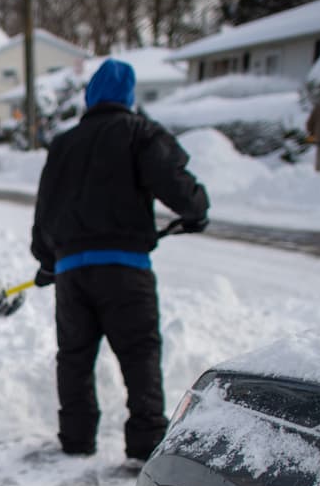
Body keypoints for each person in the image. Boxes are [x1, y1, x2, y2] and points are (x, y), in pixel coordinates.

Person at [30, 59, 209, 464]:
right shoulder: (140, 133)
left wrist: (46, 260)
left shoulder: (63, 144)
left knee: (74, 356)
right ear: (128, 98)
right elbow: (176, 182)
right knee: (139, 353)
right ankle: (145, 443)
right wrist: (196, 210)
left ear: (91, 96)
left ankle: (76, 439)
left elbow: (46, 208)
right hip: (125, 271)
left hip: (72, 273)